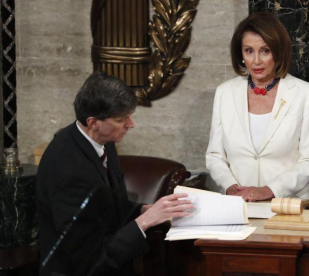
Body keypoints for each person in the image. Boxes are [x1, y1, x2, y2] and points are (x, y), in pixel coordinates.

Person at [36, 71, 193, 276]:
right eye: (122, 119)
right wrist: (144, 222)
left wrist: (143, 210)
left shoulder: (101, 139)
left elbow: (103, 204)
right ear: (93, 122)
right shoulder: (70, 173)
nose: (131, 124)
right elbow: (92, 260)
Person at [206, 12, 309, 202]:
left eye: (265, 51)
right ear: (241, 54)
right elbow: (215, 155)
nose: (257, 61)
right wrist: (230, 187)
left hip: (286, 205)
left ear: (278, 52)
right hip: (238, 205)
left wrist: (269, 190)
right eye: (249, 51)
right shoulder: (225, 93)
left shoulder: (305, 93)